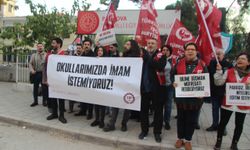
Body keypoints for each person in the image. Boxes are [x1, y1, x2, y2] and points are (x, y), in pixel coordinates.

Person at [173, 42, 208, 150]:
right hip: (181, 99)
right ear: (185, 51)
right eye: (188, 49)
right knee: (181, 120)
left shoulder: (202, 65)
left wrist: (203, 94)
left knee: (191, 121)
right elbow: (172, 76)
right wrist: (173, 83)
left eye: (192, 49)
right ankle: (180, 138)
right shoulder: (179, 63)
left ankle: (188, 140)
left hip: (195, 100)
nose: (190, 51)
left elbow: (206, 82)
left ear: (196, 51)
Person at [213, 52, 250, 150]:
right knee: (223, 123)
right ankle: (218, 141)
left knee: (239, 125)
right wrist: (219, 72)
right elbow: (218, 83)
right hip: (228, 103)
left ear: (248, 62)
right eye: (238, 58)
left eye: (243, 59)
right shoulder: (229, 71)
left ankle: (234, 144)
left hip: (243, 105)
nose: (239, 60)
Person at [103, 39, 140, 132]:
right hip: (119, 84)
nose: (125, 46)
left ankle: (124, 124)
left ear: (133, 46)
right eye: (125, 44)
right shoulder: (122, 56)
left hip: (130, 85)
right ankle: (111, 124)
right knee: (116, 103)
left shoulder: (137, 58)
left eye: (128, 44)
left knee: (127, 105)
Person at [138, 38, 166, 143]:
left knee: (158, 112)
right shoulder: (141, 55)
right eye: (148, 43)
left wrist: (148, 58)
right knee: (144, 111)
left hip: (156, 89)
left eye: (152, 43)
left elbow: (159, 67)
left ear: (156, 45)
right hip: (144, 88)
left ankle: (157, 132)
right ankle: (144, 131)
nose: (150, 45)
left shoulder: (161, 56)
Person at [207, 49, 232, 133]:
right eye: (216, 54)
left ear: (223, 55)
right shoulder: (212, 62)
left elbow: (230, 75)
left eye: (219, 54)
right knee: (215, 109)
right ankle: (214, 125)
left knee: (223, 111)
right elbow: (211, 74)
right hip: (214, 91)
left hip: (225, 92)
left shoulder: (228, 64)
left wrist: (222, 70)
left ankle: (223, 127)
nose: (217, 56)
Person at [45, 37, 67, 124]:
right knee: (53, 97)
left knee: (61, 98)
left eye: (53, 43)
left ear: (58, 44)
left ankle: (61, 115)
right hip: (52, 80)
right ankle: (54, 113)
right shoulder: (50, 54)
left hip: (61, 81)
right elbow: (46, 66)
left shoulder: (64, 54)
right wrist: (46, 79)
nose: (52, 45)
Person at [74, 39, 95, 120]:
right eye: (85, 44)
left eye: (88, 44)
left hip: (90, 79)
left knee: (89, 97)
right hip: (82, 79)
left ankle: (90, 113)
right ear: (83, 46)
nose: (86, 46)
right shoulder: (82, 55)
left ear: (90, 46)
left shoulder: (93, 55)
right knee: (82, 96)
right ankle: (82, 111)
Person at [160, 45, 177, 130]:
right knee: (158, 104)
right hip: (159, 86)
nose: (165, 51)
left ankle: (167, 121)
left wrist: (174, 81)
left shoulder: (174, 61)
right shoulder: (158, 59)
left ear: (170, 51)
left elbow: (176, 72)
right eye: (163, 50)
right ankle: (157, 120)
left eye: (167, 50)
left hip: (169, 86)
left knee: (168, 105)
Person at [90, 46, 107, 128]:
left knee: (102, 104)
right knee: (96, 103)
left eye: (101, 50)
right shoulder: (93, 59)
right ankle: (97, 119)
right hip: (95, 84)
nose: (100, 52)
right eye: (98, 50)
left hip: (103, 85)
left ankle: (102, 121)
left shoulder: (107, 60)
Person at [29, 43, 46, 107]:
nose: (40, 47)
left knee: (44, 88)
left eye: (41, 46)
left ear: (43, 47)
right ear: (37, 48)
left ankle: (44, 101)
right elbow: (30, 63)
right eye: (38, 46)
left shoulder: (46, 55)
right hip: (36, 73)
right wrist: (32, 70)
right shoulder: (33, 55)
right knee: (35, 88)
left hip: (44, 73)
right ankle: (35, 101)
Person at [68, 44, 84, 113]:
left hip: (82, 79)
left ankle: (82, 110)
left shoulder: (85, 57)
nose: (78, 49)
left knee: (82, 95)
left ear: (82, 49)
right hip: (73, 79)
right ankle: (71, 109)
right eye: (77, 48)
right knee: (71, 94)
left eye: (80, 48)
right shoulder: (72, 57)